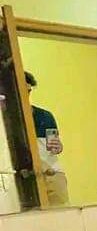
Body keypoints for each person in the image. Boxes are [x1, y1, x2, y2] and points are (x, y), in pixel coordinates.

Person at [24, 71, 69, 205]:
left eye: (28, 91)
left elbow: (54, 147)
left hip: (52, 174)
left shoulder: (45, 116)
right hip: (26, 178)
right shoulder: (7, 119)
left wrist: (59, 147)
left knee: (63, 214)